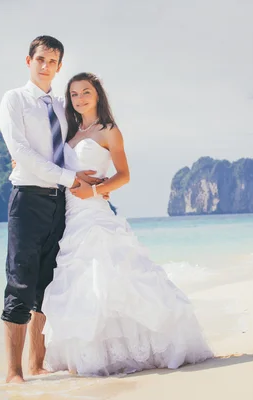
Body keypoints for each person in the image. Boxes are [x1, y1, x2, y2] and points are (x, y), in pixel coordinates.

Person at [40, 72, 214, 376]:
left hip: (95, 213)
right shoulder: (70, 132)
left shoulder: (109, 131)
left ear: (97, 95)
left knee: (108, 276)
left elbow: (124, 175)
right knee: (79, 282)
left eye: (86, 93)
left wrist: (94, 190)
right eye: (75, 94)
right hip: (70, 215)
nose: (80, 99)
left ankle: (135, 348)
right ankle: (93, 353)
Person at [0, 35, 104, 384]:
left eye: (53, 61)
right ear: (28, 61)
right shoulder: (13, 100)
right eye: (41, 59)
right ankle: (13, 373)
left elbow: (84, 129)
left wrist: (101, 176)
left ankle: (37, 364)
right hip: (27, 199)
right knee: (20, 282)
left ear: (59, 67)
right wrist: (70, 177)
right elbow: (22, 152)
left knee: (47, 284)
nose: (46, 66)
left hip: (61, 204)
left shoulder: (62, 105)